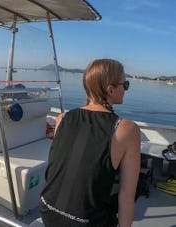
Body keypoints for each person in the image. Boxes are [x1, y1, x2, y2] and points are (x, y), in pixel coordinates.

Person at [40, 59, 140, 227]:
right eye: (126, 84)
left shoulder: (62, 118)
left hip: (47, 210)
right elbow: (126, 197)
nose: (126, 89)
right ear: (110, 89)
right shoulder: (126, 129)